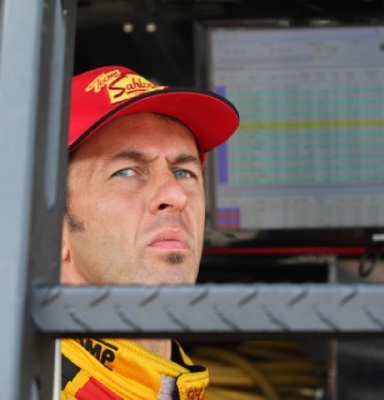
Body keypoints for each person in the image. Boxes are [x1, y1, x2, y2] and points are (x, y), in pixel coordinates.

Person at [59, 65, 239, 400]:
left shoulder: (170, 386)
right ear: (50, 227)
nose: (175, 195)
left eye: (183, 172)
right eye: (126, 171)